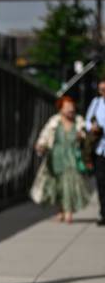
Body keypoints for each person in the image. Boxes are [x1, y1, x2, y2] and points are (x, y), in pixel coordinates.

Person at [30, 95, 90, 223]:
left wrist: (82, 135)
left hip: (72, 157)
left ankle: (68, 211)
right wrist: (41, 145)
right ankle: (61, 209)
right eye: (67, 107)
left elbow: (85, 133)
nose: (71, 109)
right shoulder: (54, 121)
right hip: (55, 157)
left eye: (72, 107)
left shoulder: (78, 121)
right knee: (57, 185)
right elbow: (45, 135)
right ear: (61, 108)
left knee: (70, 183)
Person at [85, 77, 105, 225]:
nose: (103, 92)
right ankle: (103, 212)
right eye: (101, 90)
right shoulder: (96, 103)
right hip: (99, 149)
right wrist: (91, 127)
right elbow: (87, 121)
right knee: (101, 181)